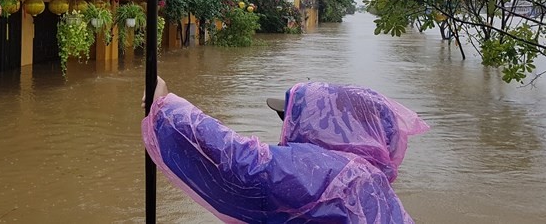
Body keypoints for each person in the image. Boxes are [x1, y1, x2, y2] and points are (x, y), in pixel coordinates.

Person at [141, 78, 429, 223]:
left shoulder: (325, 171)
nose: (285, 124)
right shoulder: (367, 175)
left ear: (329, 124)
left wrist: (167, 106)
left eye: (288, 116)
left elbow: (241, 161)